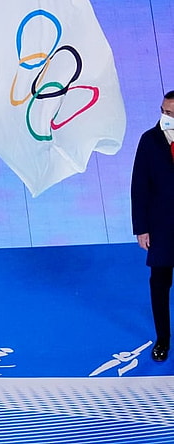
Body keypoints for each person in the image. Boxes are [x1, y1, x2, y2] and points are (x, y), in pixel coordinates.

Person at [131, 90, 174, 362]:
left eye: (170, 114)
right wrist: (141, 228)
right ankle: (163, 340)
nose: (165, 118)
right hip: (161, 228)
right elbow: (139, 187)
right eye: (163, 112)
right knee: (159, 285)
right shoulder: (149, 140)